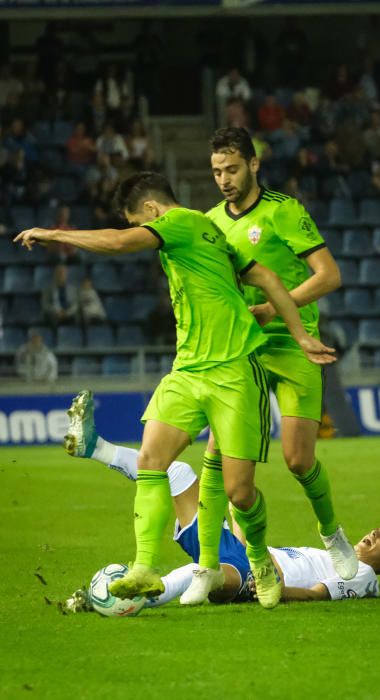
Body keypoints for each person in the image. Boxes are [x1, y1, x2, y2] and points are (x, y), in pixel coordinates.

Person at [15, 170, 336, 610]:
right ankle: (144, 566)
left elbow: (118, 243)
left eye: (137, 221)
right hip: (188, 370)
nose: (138, 231)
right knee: (151, 459)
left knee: (241, 494)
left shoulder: (180, 222)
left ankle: (259, 558)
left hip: (236, 374)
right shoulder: (214, 233)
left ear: (150, 210)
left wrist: (53, 233)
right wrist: (299, 333)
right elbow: (268, 280)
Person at [63, 391, 380, 610]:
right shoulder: (331, 557)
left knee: (202, 569)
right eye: (378, 529)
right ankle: (94, 447)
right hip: (245, 557)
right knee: (179, 476)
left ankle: (125, 598)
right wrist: (236, 511)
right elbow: (259, 551)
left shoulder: (365, 576)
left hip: (252, 578)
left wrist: (268, 588)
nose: (374, 533)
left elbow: (316, 595)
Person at [206, 127, 357, 581]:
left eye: (232, 169)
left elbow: (329, 275)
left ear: (254, 165)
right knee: (218, 458)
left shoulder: (284, 211)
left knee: (298, 459)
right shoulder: (210, 220)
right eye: (216, 172)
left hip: (294, 346)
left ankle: (332, 533)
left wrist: (273, 309)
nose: (224, 179)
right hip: (244, 352)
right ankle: (215, 561)